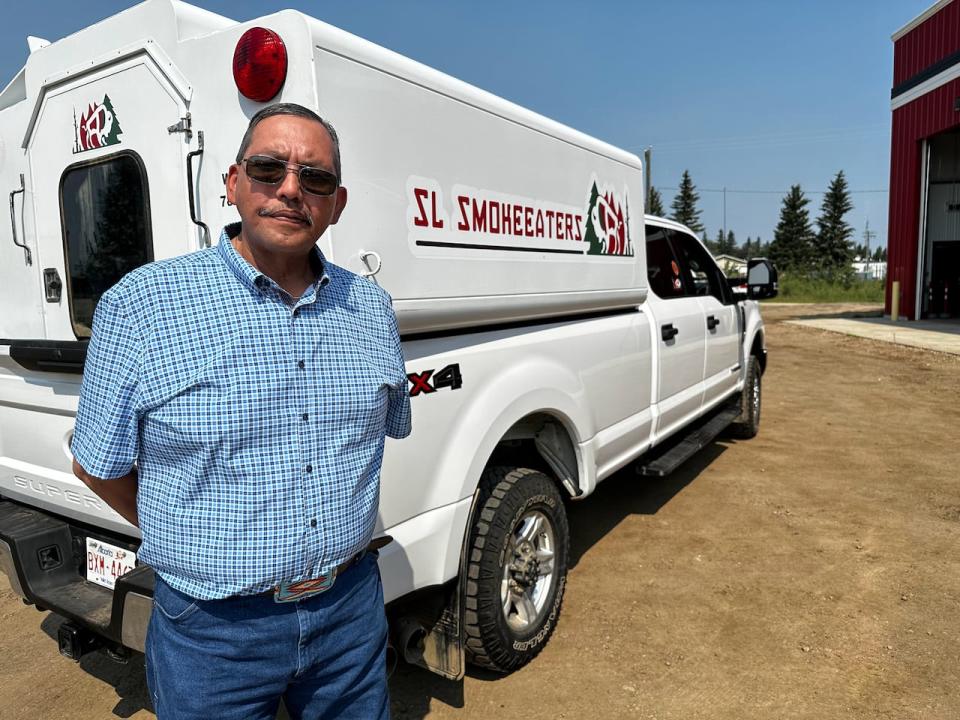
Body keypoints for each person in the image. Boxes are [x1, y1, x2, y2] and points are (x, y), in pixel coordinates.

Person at [70, 103, 411, 720]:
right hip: (212, 632)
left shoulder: (372, 312)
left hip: (349, 613)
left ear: (336, 202)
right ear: (232, 183)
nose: (290, 188)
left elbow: (372, 444)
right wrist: (189, 540)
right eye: (268, 167)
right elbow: (96, 465)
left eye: (315, 178)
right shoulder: (143, 306)